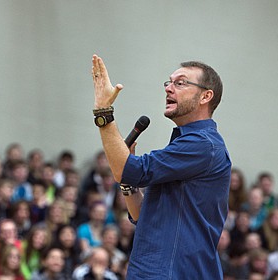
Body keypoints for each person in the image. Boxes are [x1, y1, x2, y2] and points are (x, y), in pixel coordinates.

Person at [90, 55, 231, 278]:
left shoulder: (202, 145)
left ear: (206, 96)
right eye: (169, 82)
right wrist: (129, 184)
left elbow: (128, 170)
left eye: (180, 83)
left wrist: (103, 112)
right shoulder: (190, 144)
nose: (169, 88)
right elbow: (140, 215)